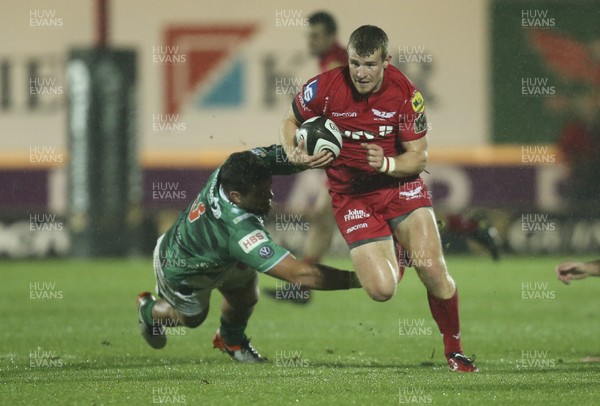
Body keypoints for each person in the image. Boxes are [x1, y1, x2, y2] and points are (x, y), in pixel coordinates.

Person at [279, 25, 478, 372]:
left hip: (400, 187)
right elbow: (290, 120)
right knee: (382, 290)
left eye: (369, 64)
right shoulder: (324, 87)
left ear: (386, 60)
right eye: (355, 63)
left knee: (432, 270)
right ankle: (397, 252)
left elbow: (419, 156)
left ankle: (455, 350)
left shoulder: (405, 93)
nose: (361, 72)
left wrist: (387, 163)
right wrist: (292, 149)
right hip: (352, 197)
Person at [136, 145, 361, 363]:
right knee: (193, 318)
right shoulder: (238, 230)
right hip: (185, 267)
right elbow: (301, 276)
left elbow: (288, 157)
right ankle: (149, 311)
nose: (270, 195)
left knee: (245, 295)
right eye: (261, 193)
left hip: (221, 254)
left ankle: (231, 341)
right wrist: (359, 279)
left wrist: (319, 154)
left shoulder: (242, 166)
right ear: (236, 197)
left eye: (269, 186)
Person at [268, 11, 348, 304]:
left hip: (355, 160)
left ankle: (457, 226)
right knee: (323, 218)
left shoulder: (336, 64)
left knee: (325, 218)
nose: (310, 41)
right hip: (347, 158)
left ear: (329, 36)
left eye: (315, 35)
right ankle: (302, 286)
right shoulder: (331, 62)